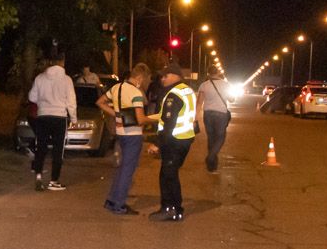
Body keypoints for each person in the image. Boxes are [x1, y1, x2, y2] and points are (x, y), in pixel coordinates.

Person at [96, 63, 150, 215]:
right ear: (140, 78)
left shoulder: (116, 88)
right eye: (144, 80)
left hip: (121, 132)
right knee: (128, 170)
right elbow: (140, 119)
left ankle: (111, 200)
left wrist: (116, 114)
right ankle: (119, 204)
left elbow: (100, 102)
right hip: (133, 134)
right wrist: (154, 119)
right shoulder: (135, 93)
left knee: (121, 169)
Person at [146, 62, 197, 221]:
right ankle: (174, 209)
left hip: (174, 141)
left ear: (175, 76)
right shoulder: (187, 90)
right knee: (170, 174)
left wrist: (156, 143)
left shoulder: (173, 94)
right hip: (184, 139)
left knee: (168, 175)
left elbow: (168, 123)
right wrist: (146, 119)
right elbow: (167, 115)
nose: (162, 78)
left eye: (165, 75)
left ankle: (171, 209)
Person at [27, 54, 77, 191]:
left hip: (43, 116)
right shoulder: (67, 80)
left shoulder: (40, 78)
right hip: (59, 117)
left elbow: (32, 96)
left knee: (41, 146)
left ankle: (38, 175)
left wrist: (43, 103)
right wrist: (73, 118)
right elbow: (71, 101)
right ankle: (54, 181)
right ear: (62, 62)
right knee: (57, 150)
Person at [195, 68, 233, 173]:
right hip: (221, 114)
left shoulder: (204, 85)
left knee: (211, 138)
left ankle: (212, 166)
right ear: (218, 73)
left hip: (208, 114)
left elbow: (199, 103)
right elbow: (232, 99)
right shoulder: (226, 84)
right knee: (220, 137)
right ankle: (210, 157)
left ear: (208, 73)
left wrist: (195, 118)